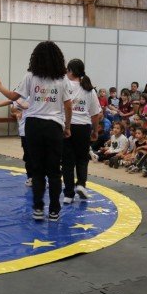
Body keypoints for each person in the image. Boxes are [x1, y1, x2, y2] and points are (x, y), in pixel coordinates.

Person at [0, 41, 72, 221]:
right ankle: (54, 210)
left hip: (33, 125)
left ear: (36, 58)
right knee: (54, 170)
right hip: (53, 126)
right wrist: (67, 127)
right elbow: (68, 106)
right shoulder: (62, 79)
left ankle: (37, 207)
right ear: (59, 59)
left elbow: (13, 96)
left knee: (37, 169)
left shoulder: (31, 76)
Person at [61, 59, 101, 204]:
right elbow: (95, 114)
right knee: (82, 159)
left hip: (67, 126)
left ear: (70, 70)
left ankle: (68, 194)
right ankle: (81, 185)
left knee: (67, 162)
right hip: (83, 127)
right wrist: (95, 131)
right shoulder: (89, 89)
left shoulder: (64, 84)